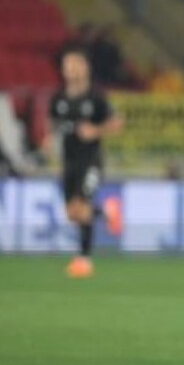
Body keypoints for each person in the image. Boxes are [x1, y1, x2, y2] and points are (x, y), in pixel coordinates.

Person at [46, 47, 124, 278]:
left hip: (90, 160)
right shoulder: (58, 99)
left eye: (75, 65)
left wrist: (96, 130)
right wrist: (48, 139)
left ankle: (84, 259)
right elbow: (53, 124)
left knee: (82, 207)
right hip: (69, 161)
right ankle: (107, 211)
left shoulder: (95, 98)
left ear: (85, 68)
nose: (70, 70)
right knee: (72, 213)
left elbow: (117, 123)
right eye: (67, 66)